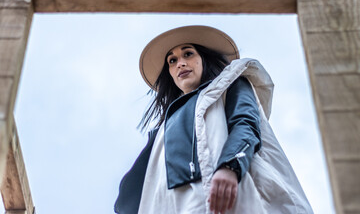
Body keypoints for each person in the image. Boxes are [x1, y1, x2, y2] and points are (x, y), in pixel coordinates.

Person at [114, 26, 313, 214]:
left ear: (204, 59)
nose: (180, 63)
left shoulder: (231, 84)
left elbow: (245, 123)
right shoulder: (162, 132)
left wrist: (230, 166)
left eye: (188, 54)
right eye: (172, 61)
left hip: (231, 191)